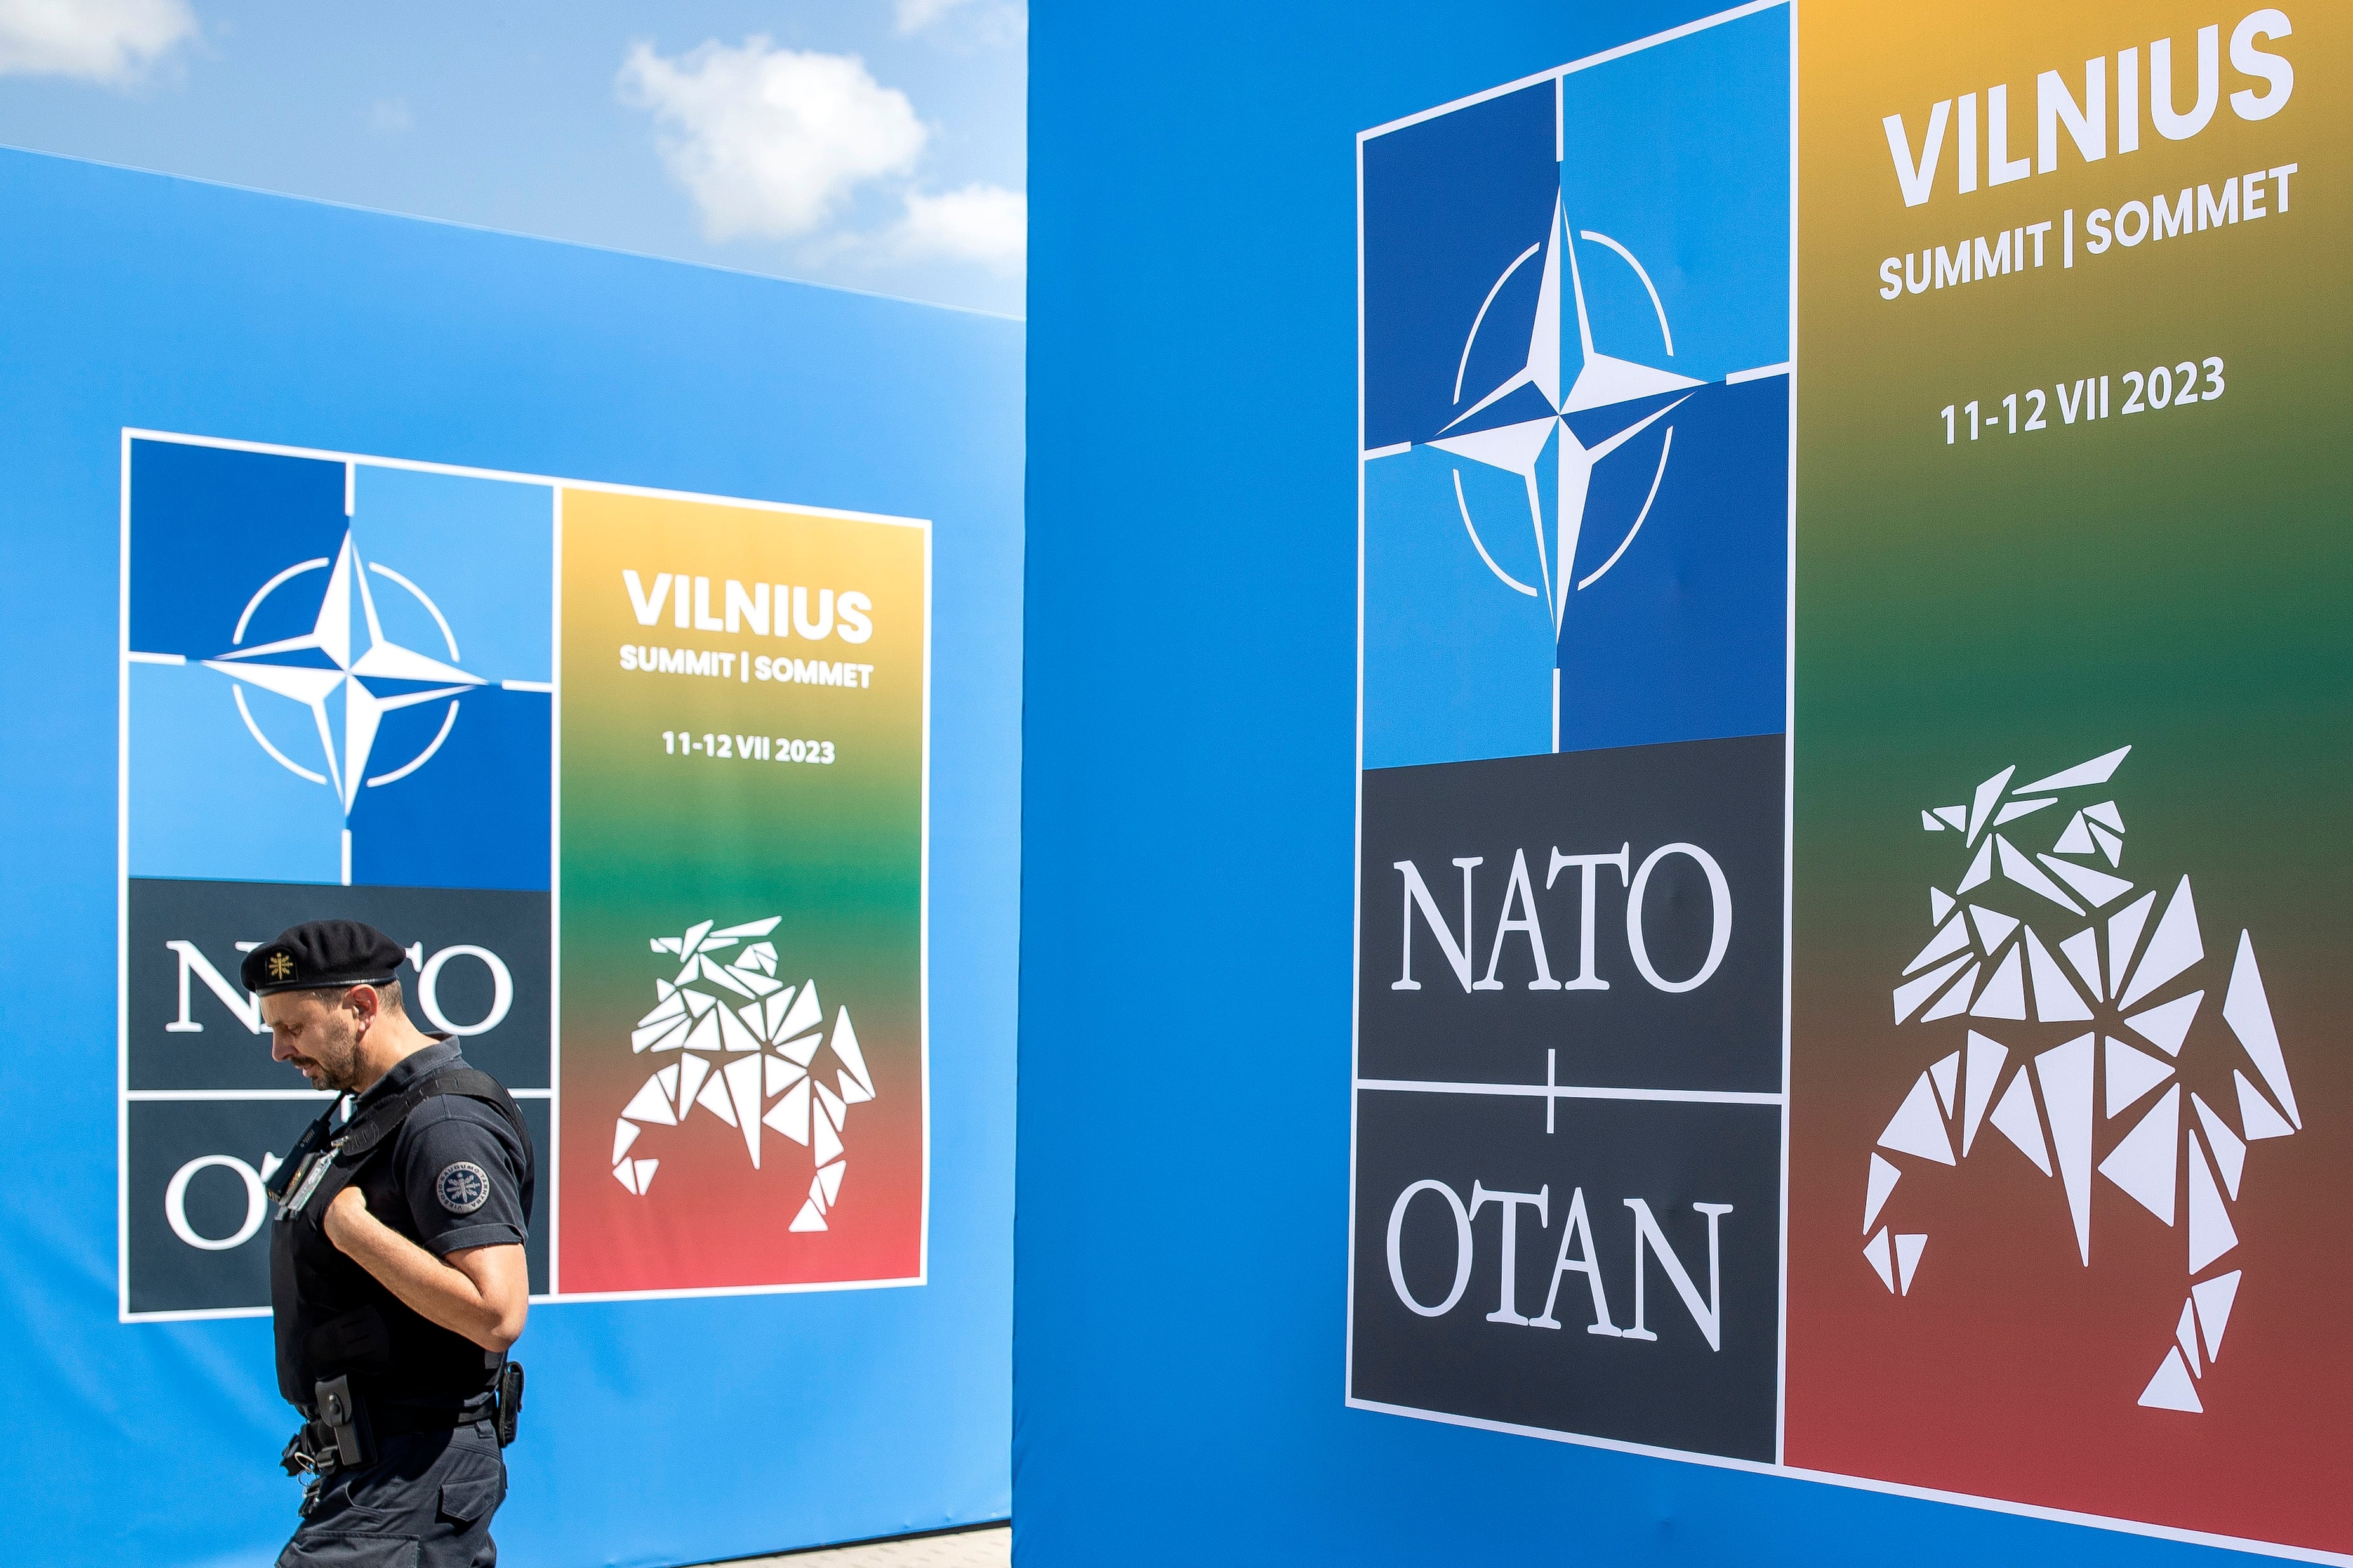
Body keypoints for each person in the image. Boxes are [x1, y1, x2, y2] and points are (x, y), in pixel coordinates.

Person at [244, 919, 534, 1567]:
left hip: (414, 1469)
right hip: (375, 1469)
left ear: (361, 1005)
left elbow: (498, 1311)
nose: (279, 1049)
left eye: (292, 1026)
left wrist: (355, 1231)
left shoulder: (445, 1121)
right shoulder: (373, 1111)